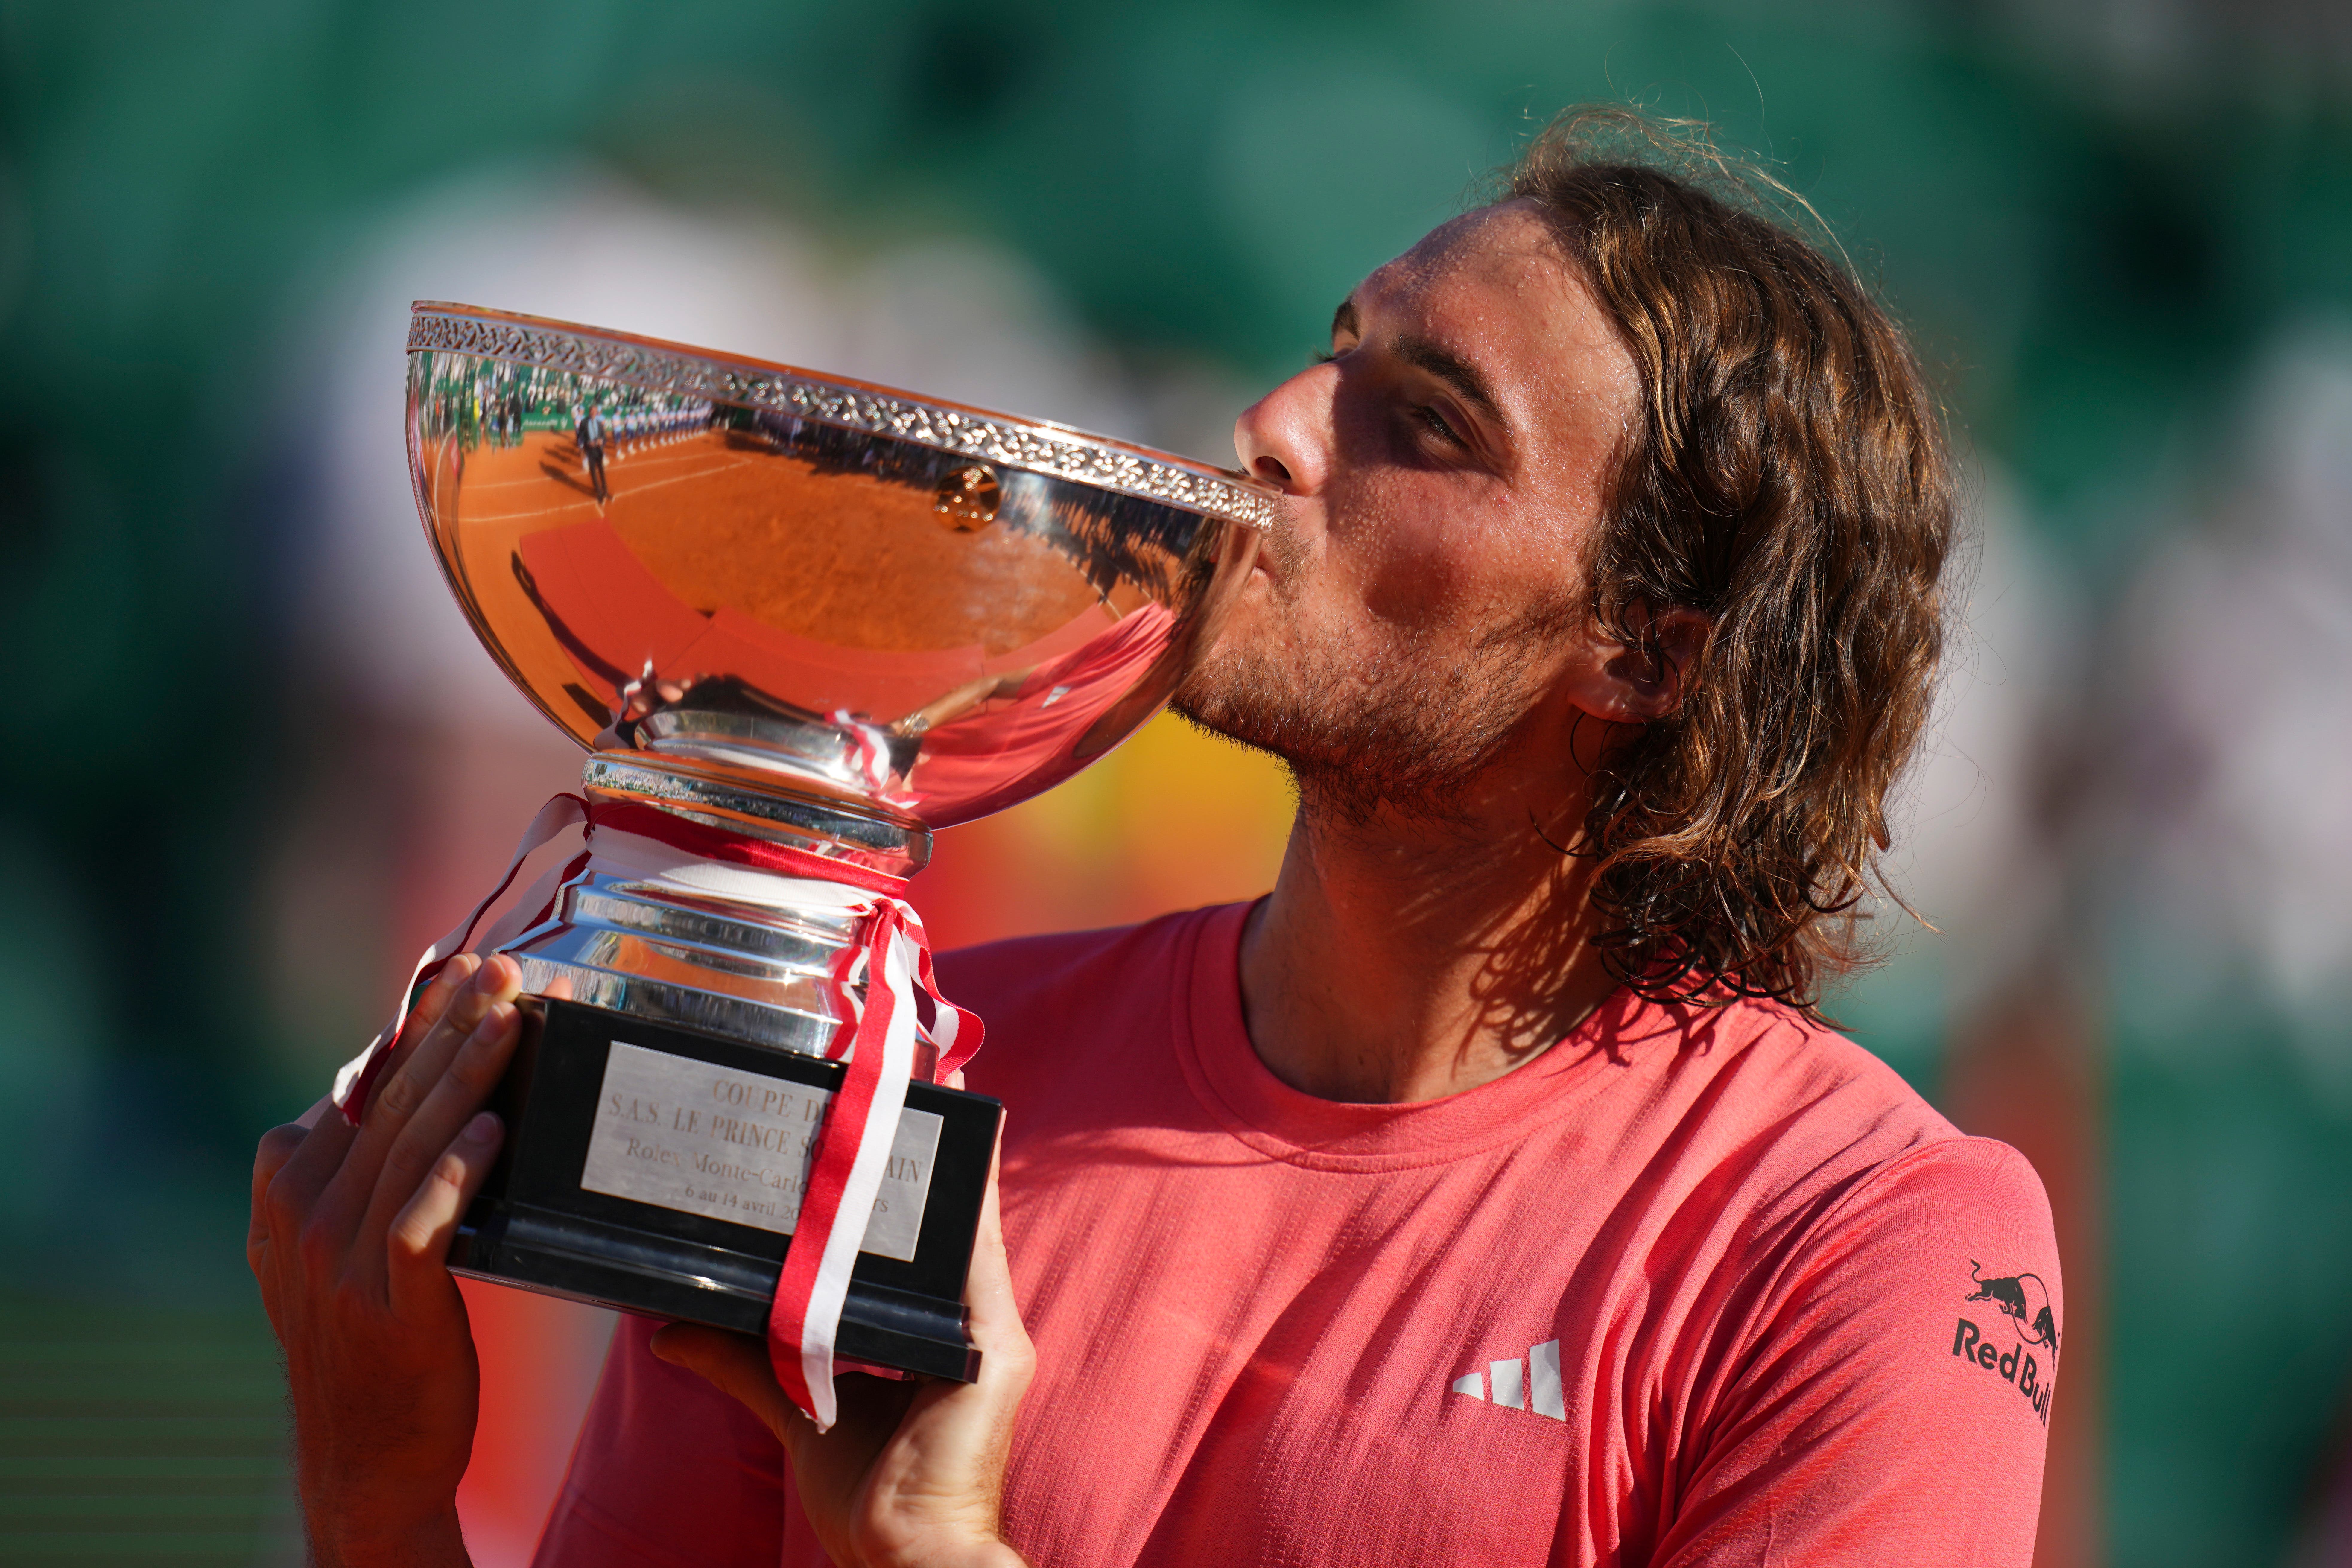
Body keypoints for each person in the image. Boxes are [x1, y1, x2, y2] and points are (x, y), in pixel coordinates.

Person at [249, 107, 2061, 1568]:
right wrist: (381, 1502)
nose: (1271, 428)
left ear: (1646, 649)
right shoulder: (904, 1081)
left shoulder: (1856, 1241)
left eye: (1419, 427)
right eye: (1332, 354)